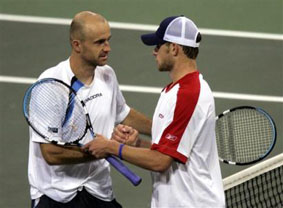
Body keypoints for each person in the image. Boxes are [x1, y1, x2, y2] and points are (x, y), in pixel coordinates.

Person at [82, 15, 226, 207]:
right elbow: (172, 152)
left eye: (158, 45)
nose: (154, 52)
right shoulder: (174, 91)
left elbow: (160, 161)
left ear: (174, 48)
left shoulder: (188, 94)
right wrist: (138, 143)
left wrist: (111, 147)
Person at [28, 11, 152, 208]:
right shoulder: (51, 86)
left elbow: (124, 114)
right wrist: (100, 151)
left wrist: (163, 129)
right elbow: (51, 154)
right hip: (56, 197)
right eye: (99, 42)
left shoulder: (107, 75)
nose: (107, 48)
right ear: (77, 45)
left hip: (99, 191)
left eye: (108, 40)